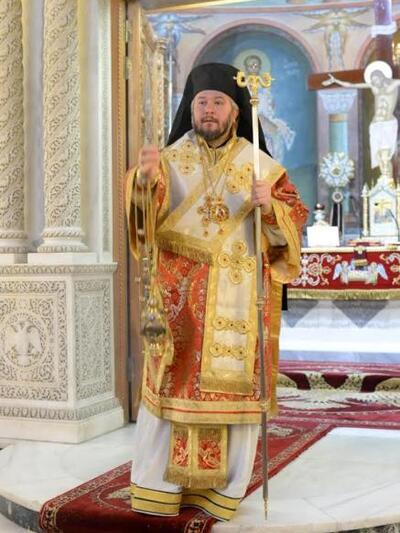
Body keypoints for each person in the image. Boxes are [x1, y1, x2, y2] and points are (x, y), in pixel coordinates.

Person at [125, 63, 308, 521]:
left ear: (236, 110)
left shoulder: (260, 165)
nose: (208, 110)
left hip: (239, 301)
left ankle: (222, 492)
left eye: (218, 102)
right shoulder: (170, 160)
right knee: (170, 387)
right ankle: (158, 487)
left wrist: (271, 208)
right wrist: (143, 182)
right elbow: (145, 225)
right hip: (179, 306)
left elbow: (291, 224)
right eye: (201, 102)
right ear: (190, 108)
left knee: (233, 392)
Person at [323, 60, 400, 184]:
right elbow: (352, 85)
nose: (374, 82)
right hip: (375, 125)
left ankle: (390, 184)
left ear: (382, 76)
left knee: (386, 156)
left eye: (376, 79)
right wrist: (336, 81)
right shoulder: (374, 88)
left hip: (387, 123)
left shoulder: (394, 84)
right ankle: (384, 182)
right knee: (379, 156)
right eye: (372, 80)